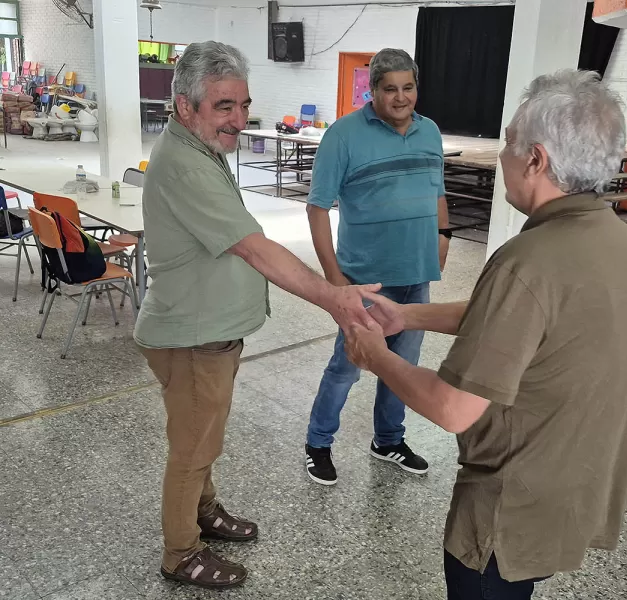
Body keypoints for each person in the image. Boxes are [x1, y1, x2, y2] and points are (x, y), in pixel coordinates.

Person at [345, 70, 627, 599]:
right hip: (575, 481)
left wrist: (375, 355)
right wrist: (408, 317)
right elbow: (523, 318)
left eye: (509, 143)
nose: (503, 156)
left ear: (536, 159)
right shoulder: (622, 241)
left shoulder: (528, 260)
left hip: (509, 504)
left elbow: (453, 409)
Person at [134, 41, 379, 590]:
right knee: (194, 447)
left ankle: (205, 511)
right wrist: (332, 296)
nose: (239, 119)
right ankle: (180, 552)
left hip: (208, 332)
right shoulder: (185, 165)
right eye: (224, 106)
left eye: (243, 104)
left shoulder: (199, 145)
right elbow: (254, 248)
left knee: (203, 436)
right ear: (184, 106)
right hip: (192, 336)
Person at [303, 48, 450, 485]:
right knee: (347, 366)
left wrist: (444, 236)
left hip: (416, 277)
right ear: (373, 91)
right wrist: (335, 280)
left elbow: (437, 190)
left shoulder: (430, 131)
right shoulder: (343, 136)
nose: (401, 97)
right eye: (390, 89)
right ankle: (318, 444)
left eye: (408, 87)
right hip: (365, 281)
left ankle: (388, 440)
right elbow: (317, 208)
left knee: (402, 367)